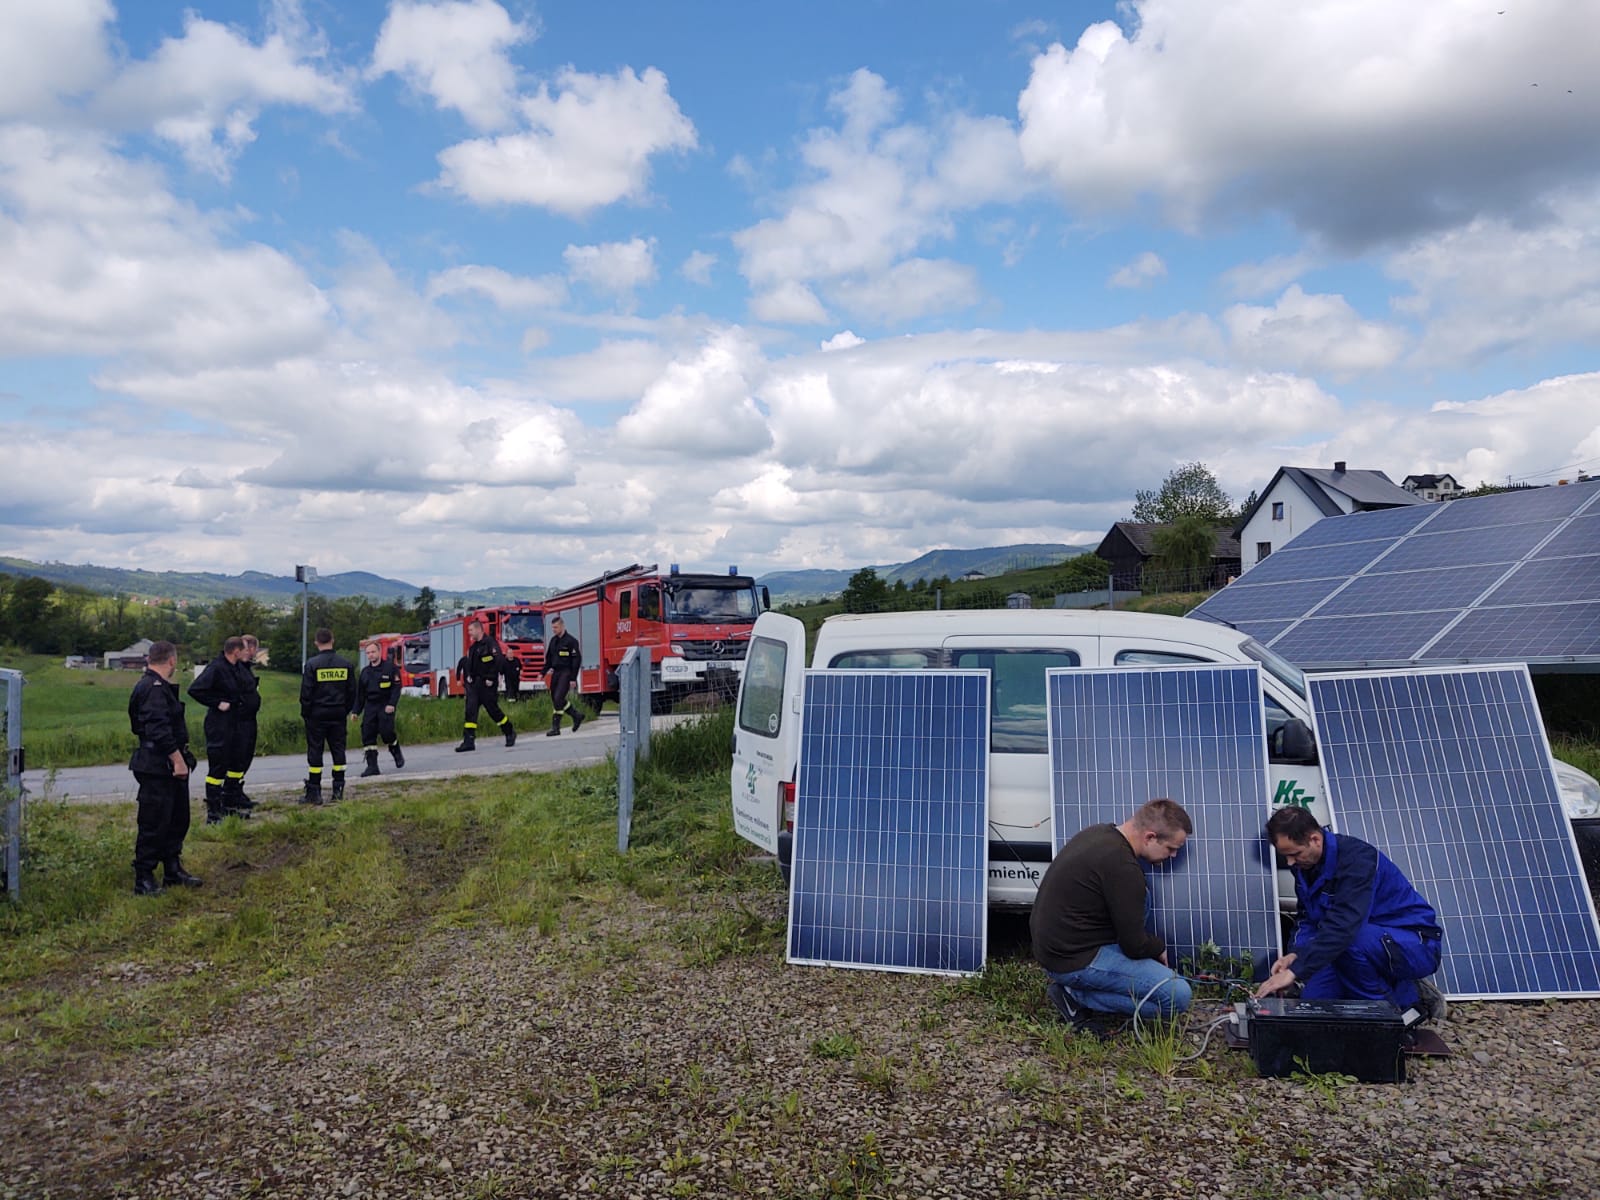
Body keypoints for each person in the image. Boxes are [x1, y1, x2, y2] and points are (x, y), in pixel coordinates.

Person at [1255, 807, 1445, 1019]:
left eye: (1294, 854)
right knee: (1316, 1004)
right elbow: (1307, 917)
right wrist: (1295, 954)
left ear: (1315, 839)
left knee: (1351, 942)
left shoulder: (1358, 860)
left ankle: (1389, 1016)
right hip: (1360, 943)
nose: (1290, 862)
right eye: (1286, 856)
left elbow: (1344, 925)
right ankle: (1394, 987)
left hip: (1413, 943)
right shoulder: (1304, 867)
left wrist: (1294, 972)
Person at [1031, 798, 1194, 1024]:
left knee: (1142, 896)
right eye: (1171, 848)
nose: (1173, 856)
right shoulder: (1124, 869)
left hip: (1058, 945)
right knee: (1177, 995)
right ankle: (1075, 995)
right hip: (1070, 960)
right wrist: (1158, 947)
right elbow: (1135, 946)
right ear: (1150, 837)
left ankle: (1092, 982)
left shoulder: (1100, 833)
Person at [127, 641, 201, 895]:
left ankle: (172, 869)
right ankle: (144, 878)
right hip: (157, 764)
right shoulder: (153, 688)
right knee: (154, 821)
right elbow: (157, 728)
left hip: (167, 762)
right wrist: (177, 759)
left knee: (177, 819)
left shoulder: (158, 686)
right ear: (171, 660)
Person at [187, 635, 248, 824]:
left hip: (236, 722)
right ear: (236, 651)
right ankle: (213, 813)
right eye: (244, 649)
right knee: (218, 766)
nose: (246, 653)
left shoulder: (236, 667)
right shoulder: (216, 668)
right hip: (219, 724)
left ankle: (230, 804)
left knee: (235, 763)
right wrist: (217, 703)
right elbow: (195, 690)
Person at [300, 628, 357, 804]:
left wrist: (307, 714)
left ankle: (314, 792)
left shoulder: (312, 665)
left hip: (316, 714)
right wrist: (344, 710)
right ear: (333, 640)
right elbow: (352, 692)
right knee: (338, 751)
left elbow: (306, 693)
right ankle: (338, 791)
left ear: (316, 643)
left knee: (315, 751)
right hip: (338, 713)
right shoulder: (346, 664)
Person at [454, 620, 517, 752]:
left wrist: (491, 677)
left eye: (471, 630)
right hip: (475, 685)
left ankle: (509, 731)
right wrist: (468, 679)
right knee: (470, 711)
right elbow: (469, 665)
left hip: (488, 684)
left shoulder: (490, 644)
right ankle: (468, 741)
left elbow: (499, 661)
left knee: (493, 711)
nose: (469, 633)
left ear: (479, 629)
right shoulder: (473, 648)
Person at [354, 640, 405, 777]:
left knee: (386, 732)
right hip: (370, 706)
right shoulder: (365, 672)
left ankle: (396, 751)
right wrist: (355, 711)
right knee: (367, 734)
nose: (370, 655)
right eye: (368, 653)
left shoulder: (390, 668)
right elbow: (360, 695)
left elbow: (396, 688)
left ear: (379, 652)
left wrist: (392, 704)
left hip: (385, 705)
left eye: (373, 652)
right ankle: (372, 766)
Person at [227, 633, 262, 812]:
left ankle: (236, 790)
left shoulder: (246, 668)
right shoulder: (235, 668)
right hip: (239, 720)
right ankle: (230, 793)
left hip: (248, 719)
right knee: (237, 758)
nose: (247, 651)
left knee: (245, 757)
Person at [542, 614, 584, 737]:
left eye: (556, 627)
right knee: (555, 699)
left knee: (558, 698)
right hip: (556, 672)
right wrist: (542, 672)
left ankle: (556, 727)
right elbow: (549, 659)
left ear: (562, 626)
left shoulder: (571, 641)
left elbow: (576, 661)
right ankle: (576, 716)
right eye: (552, 628)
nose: (554, 630)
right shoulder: (553, 641)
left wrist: (573, 678)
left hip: (566, 672)